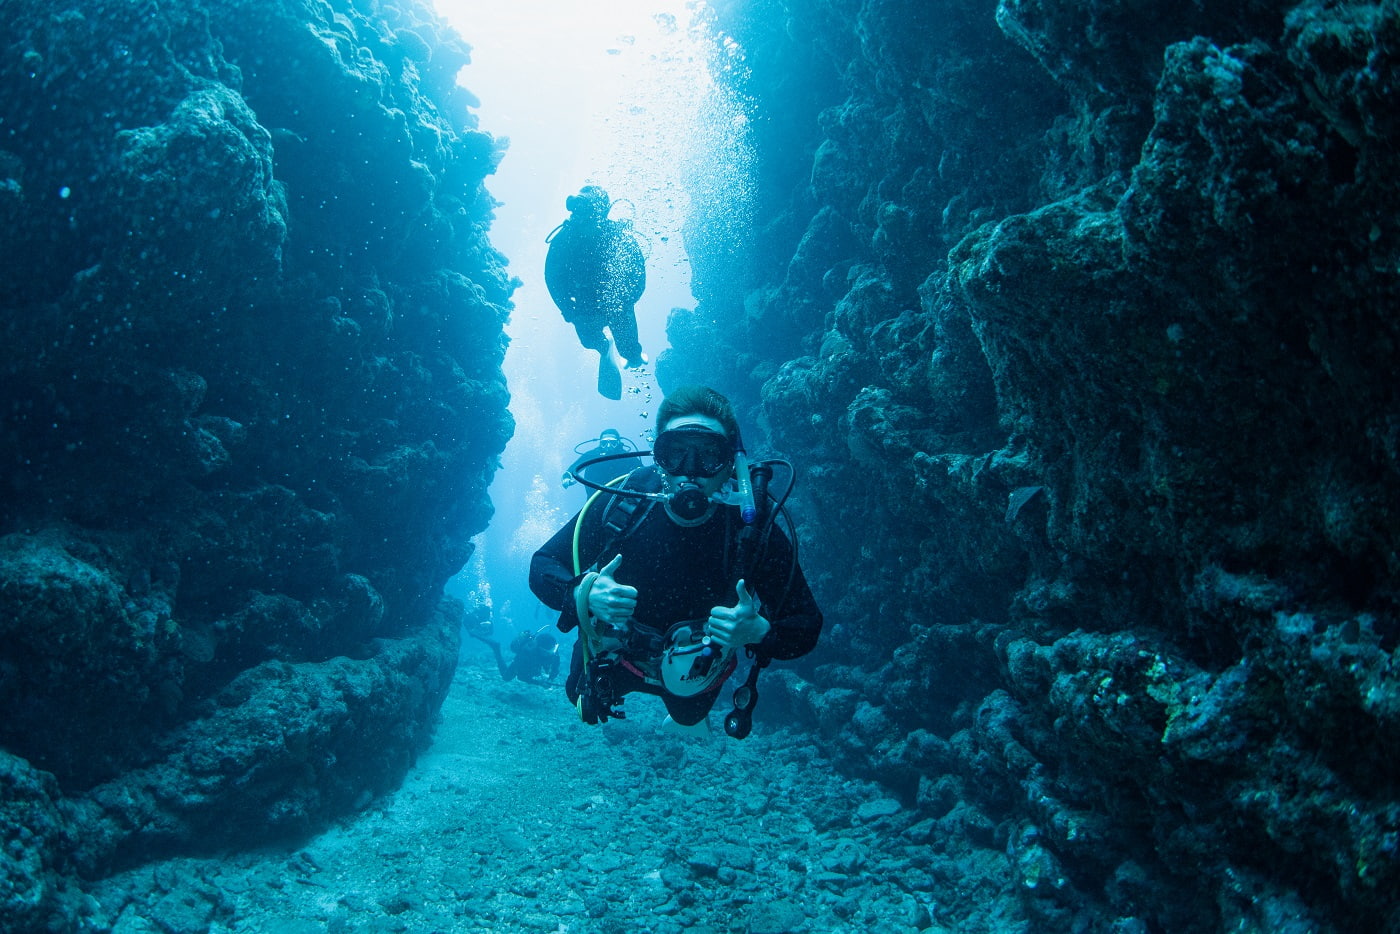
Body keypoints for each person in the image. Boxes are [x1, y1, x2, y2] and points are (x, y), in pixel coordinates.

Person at [529, 385, 823, 738]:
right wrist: (584, 594)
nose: (690, 472)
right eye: (676, 453)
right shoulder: (625, 504)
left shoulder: (751, 526)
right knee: (577, 696)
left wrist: (760, 632)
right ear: (658, 456)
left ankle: (687, 713)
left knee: (688, 716)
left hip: (697, 667)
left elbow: (805, 624)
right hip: (617, 653)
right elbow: (543, 563)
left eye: (709, 455)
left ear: (731, 462)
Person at [544, 185, 647, 400]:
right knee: (590, 341)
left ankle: (633, 356)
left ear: (600, 213)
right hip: (584, 304)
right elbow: (552, 277)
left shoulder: (618, 237)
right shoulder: (564, 239)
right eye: (576, 211)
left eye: (585, 211)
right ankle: (605, 347)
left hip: (617, 303)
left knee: (630, 351)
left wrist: (627, 301)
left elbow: (638, 274)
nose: (578, 217)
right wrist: (566, 308)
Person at [563, 428, 644, 494]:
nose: (608, 446)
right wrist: (566, 477)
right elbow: (574, 468)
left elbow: (642, 471)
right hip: (594, 497)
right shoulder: (593, 454)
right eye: (604, 443)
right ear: (600, 443)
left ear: (618, 442)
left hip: (619, 497)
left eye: (613, 443)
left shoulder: (627, 456)